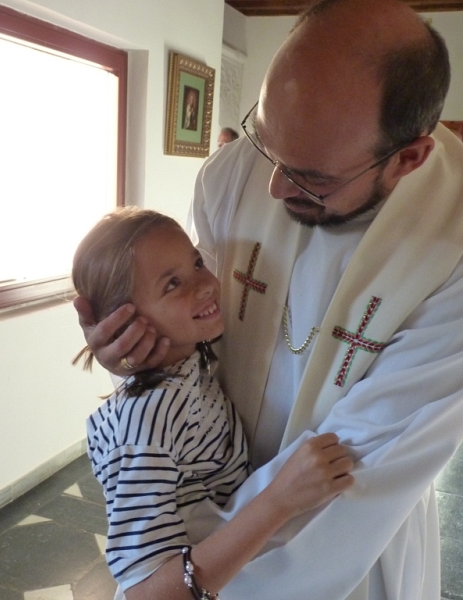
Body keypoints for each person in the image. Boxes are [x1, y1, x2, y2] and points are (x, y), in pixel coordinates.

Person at [74, 1, 463, 598]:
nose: (273, 187)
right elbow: (192, 332)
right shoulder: (232, 175)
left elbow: (358, 471)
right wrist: (141, 357)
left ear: (407, 159)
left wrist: (194, 570)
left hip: (340, 547)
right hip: (194, 535)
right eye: (266, 142)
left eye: (312, 178)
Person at [72, 206, 354, 599]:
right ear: (123, 319)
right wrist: (280, 499)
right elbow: (145, 594)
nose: (204, 284)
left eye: (197, 263)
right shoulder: (147, 421)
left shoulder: (192, 364)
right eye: (172, 284)